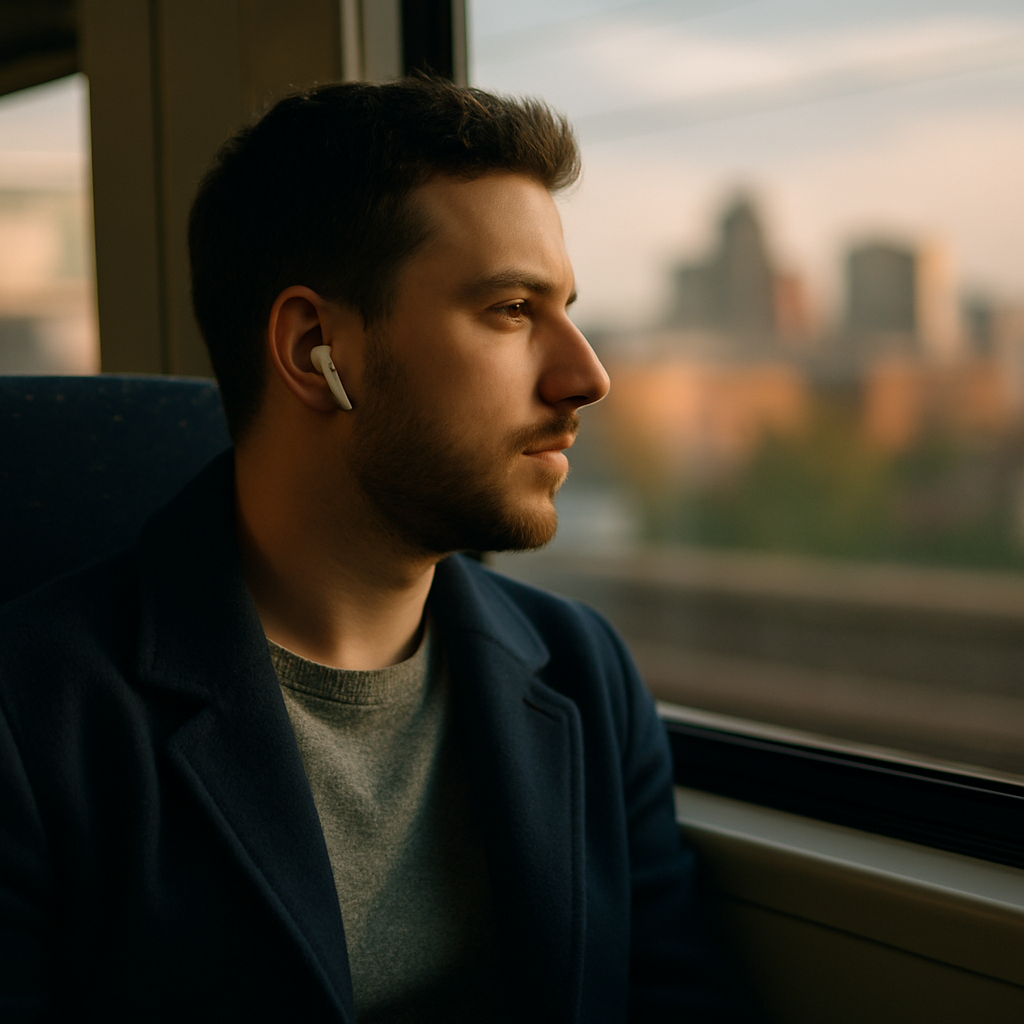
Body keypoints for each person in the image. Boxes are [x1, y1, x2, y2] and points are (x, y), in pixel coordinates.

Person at [0, 77, 752, 1022]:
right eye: (513, 310)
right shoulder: (29, 728)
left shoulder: (583, 673)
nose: (586, 375)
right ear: (317, 347)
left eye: (566, 307)